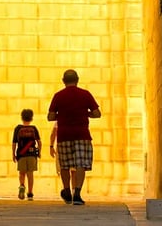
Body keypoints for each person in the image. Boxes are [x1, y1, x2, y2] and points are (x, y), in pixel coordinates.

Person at [47, 69, 101, 205]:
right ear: (77, 80)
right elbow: (97, 113)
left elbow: (51, 116)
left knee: (64, 165)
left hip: (64, 135)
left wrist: (62, 115)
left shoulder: (58, 96)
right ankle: (77, 193)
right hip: (82, 134)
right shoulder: (85, 94)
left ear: (63, 81)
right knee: (81, 164)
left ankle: (66, 191)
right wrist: (86, 114)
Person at [11, 108, 41, 201]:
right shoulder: (34, 128)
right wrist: (39, 152)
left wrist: (13, 154)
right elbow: (39, 142)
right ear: (31, 118)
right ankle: (30, 193)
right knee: (30, 174)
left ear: (22, 117)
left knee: (22, 172)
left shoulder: (18, 128)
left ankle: (22, 185)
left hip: (21, 154)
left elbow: (14, 143)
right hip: (32, 154)